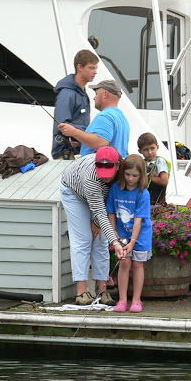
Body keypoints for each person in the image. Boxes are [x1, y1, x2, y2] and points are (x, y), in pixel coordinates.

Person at [60, 146, 124, 305]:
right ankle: (81, 292)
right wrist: (116, 243)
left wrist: (97, 223)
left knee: (101, 240)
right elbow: (100, 213)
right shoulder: (91, 177)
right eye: (102, 173)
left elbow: (109, 207)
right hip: (74, 191)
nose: (106, 177)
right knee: (83, 238)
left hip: (98, 200)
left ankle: (102, 290)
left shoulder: (124, 173)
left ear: (117, 165)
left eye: (109, 173)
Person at [107, 154, 152, 313]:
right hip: (122, 234)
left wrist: (133, 242)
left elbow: (139, 220)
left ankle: (137, 300)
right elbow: (111, 212)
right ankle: (122, 299)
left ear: (141, 175)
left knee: (138, 264)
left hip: (140, 235)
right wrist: (114, 233)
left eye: (135, 175)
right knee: (124, 263)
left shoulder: (143, 193)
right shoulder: (115, 189)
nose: (131, 179)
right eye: (127, 174)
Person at [59, 79, 130, 159]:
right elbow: (109, 143)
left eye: (96, 94)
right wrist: (81, 140)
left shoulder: (105, 116)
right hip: (115, 164)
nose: (94, 98)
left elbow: (100, 142)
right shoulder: (122, 118)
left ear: (105, 94)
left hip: (99, 166)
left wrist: (73, 132)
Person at [52, 49, 98, 160]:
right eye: (91, 68)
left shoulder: (81, 93)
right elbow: (62, 125)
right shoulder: (67, 94)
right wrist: (86, 133)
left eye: (96, 68)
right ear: (80, 67)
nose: (95, 72)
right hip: (67, 154)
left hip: (78, 153)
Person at [137, 132, 169, 205]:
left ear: (157, 147)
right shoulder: (142, 162)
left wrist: (147, 178)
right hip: (145, 199)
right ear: (140, 151)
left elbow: (164, 181)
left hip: (157, 200)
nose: (150, 152)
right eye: (146, 150)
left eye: (152, 148)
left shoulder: (160, 161)